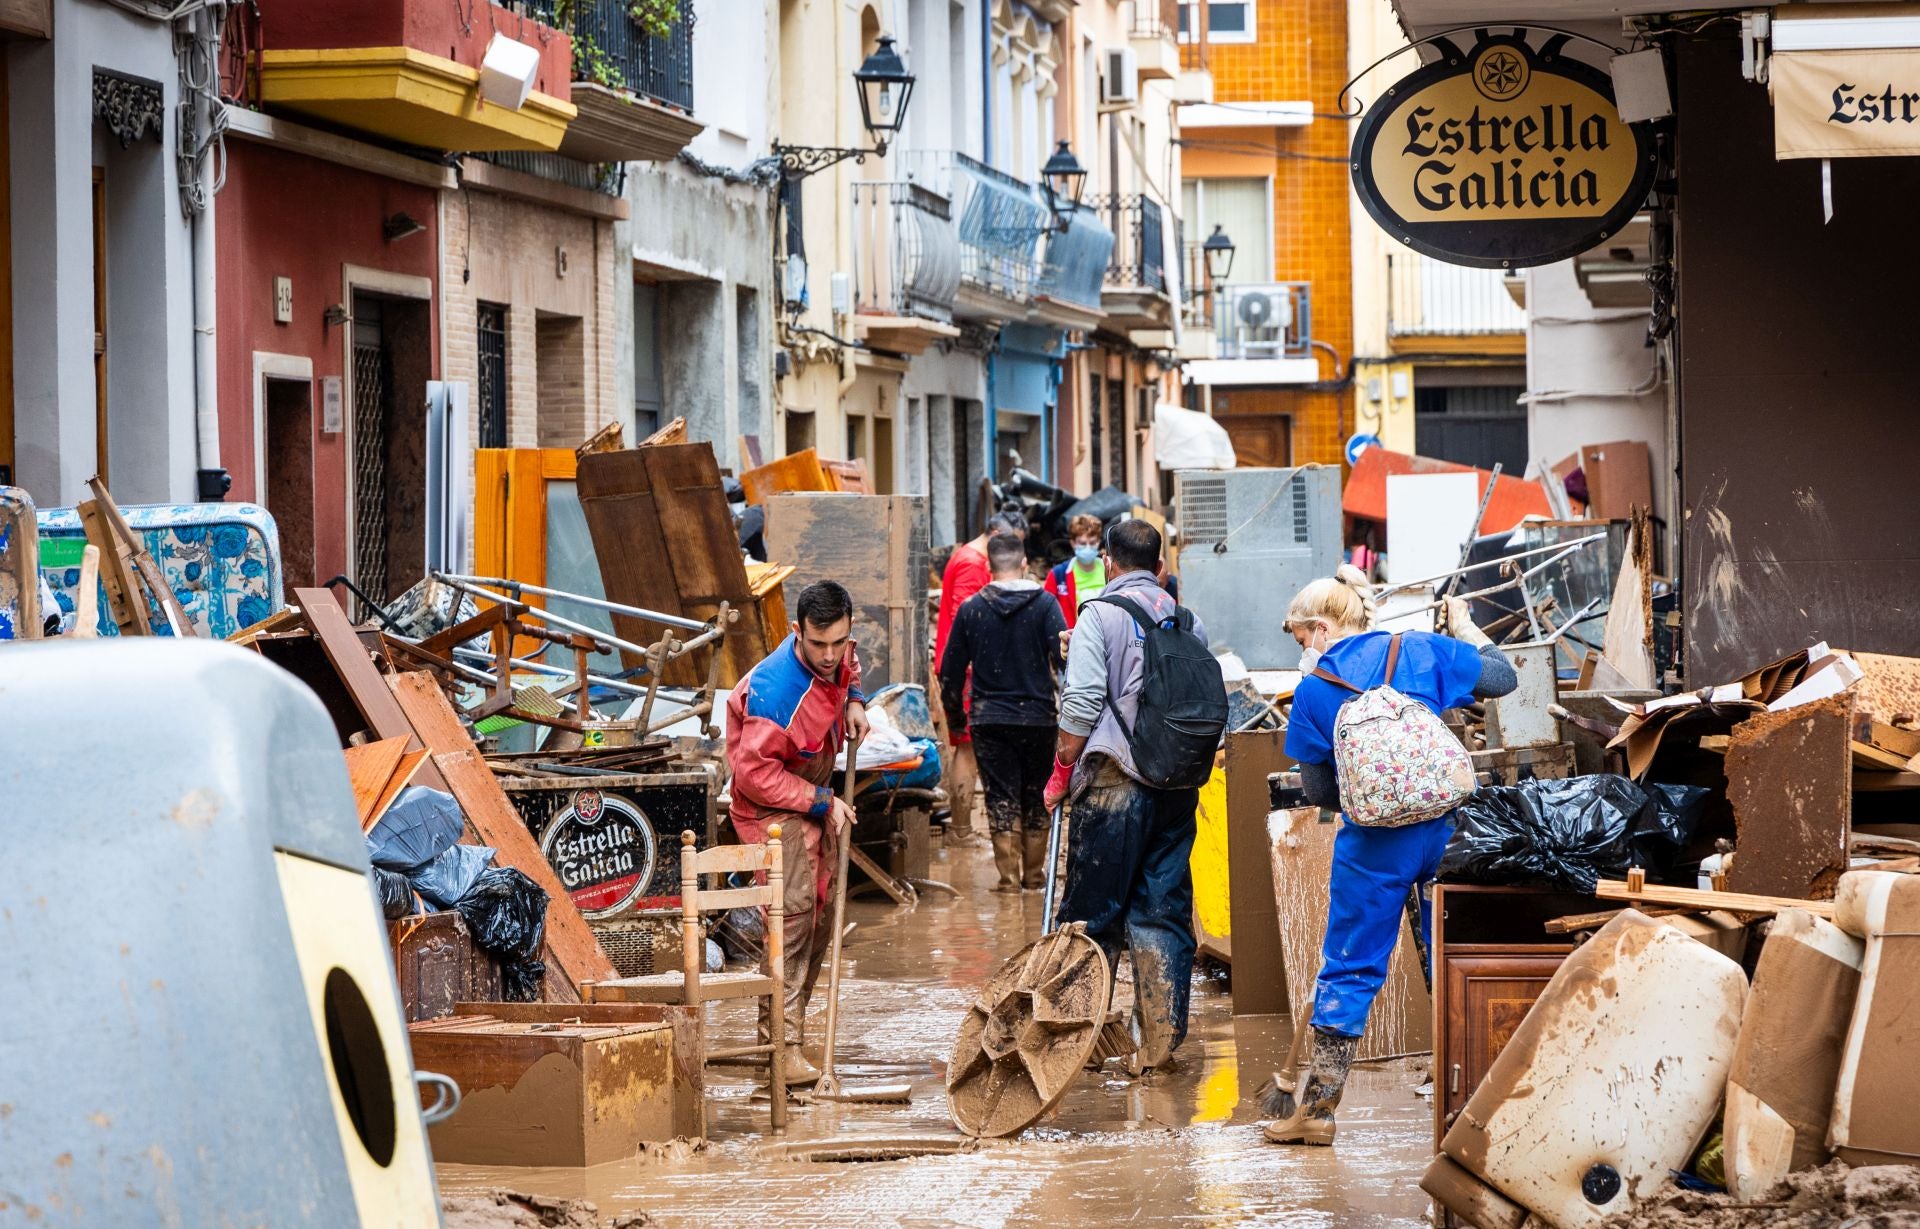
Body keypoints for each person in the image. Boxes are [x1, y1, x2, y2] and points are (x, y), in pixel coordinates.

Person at [1261, 569, 1516, 1146]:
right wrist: (1470, 628)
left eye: (1302, 639)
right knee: (1450, 954)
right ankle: (1470, 1101)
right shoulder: (1422, 650)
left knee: (1350, 965)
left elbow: (1322, 792)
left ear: (1322, 628)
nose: (1304, 651)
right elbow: (1503, 679)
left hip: (1374, 845)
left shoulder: (1314, 689)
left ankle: (1319, 1112)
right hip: (1444, 832)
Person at [1042, 518, 1205, 1073]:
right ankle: (1157, 1047)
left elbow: (1084, 700)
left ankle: (1069, 1045)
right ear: (1160, 568)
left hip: (1114, 784)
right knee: (1161, 912)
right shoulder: (1187, 621)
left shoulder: (1098, 614)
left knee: (1091, 917)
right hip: (1176, 787)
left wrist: (1063, 766)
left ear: (1107, 562)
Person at [724, 580, 870, 1085]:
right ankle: (778, 1051)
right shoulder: (778, 694)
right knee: (792, 918)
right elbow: (753, 776)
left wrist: (855, 698)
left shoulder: (838, 653)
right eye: (818, 645)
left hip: (810, 792)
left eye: (838, 643)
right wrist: (822, 801)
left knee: (823, 915)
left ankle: (795, 1035)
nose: (829, 655)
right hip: (769, 806)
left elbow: (847, 665)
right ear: (796, 633)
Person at [939, 532, 1068, 893]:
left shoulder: (971, 610)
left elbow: (949, 673)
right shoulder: (1045, 605)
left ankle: (1008, 880)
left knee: (1000, 795)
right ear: (1024, 563)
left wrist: (956, 718)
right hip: (1038, 718)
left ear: (988, 566)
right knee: (1035, 794)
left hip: (988, 719)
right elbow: (1064, 661)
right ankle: (1034, 878)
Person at [933, 509, 1029, 844]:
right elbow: (967, 622)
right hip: (968, 672)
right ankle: (960, 831)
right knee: (967, 748)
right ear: (996, 534)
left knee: (968, 747)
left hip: (963, 670)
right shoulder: (973, 564)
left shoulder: (964, 556)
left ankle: (962, 827)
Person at [1044, 514, 1108, 628]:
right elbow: (1044, 611)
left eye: (1092, 543)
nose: (1088, 548)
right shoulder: (1058, 575)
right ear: (1073, 543)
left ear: (1099, 542)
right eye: (1082, 543)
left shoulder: (1109, 570)